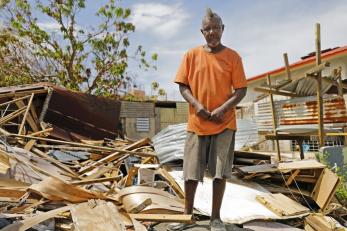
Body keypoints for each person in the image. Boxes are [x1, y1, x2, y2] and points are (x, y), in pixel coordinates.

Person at [168, 8, 247, 231]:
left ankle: (215, 218)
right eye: (208, 29)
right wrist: (197, 106)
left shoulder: (233, 57)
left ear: (223, 29)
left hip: (224, 123)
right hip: (197, 122)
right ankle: (187, 216)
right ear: (202, 32)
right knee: (191, 172)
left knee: (220, 172)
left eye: (216, 28)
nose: (212, 32)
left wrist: (222, 108)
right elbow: (183, 86)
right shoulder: (191, 55)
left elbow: (241, 90)